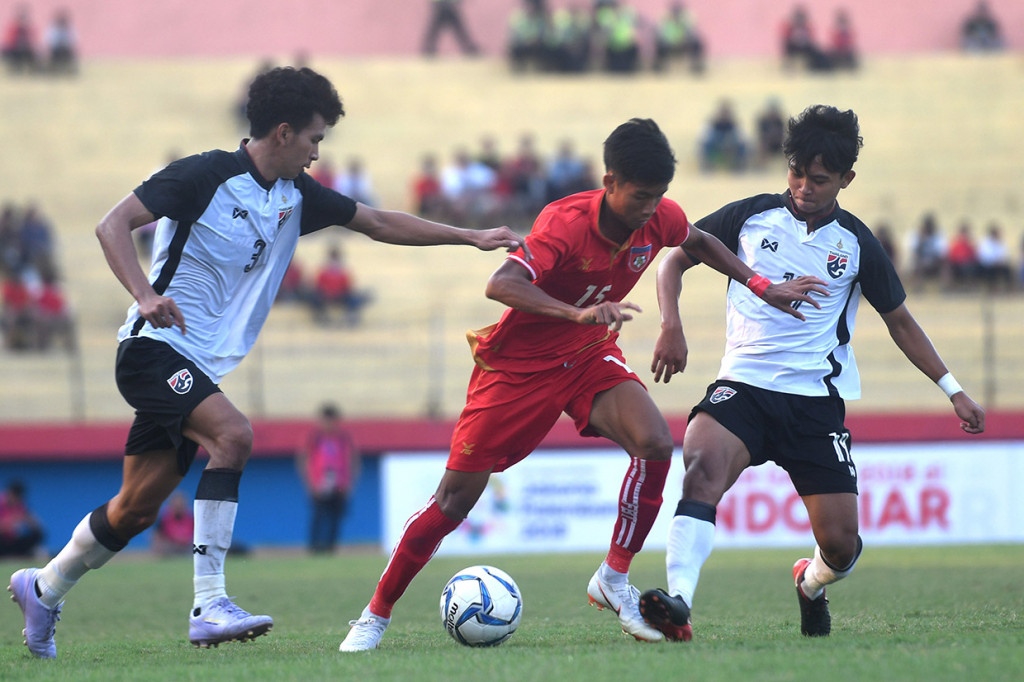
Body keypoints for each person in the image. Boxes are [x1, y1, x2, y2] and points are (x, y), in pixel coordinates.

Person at [7, 65, 528, 660]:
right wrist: (144, 297)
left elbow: (379, 222)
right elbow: (112, 225)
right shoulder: (204, 174)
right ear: (283, 132)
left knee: (135, 508)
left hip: (199, 364)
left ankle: (43, 587)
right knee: (233, 435)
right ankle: (209, 603)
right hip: (152, 350)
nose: (316, 152)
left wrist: (470, 237)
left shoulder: (295, 197)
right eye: (314, 138)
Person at [338, 117, 825, 652]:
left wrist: (761, 285)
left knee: (656, 443)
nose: (649, 208)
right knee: (453, 502)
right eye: (640, 196)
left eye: (658, 196)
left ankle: (614, 577)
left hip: (588, 354)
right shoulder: (564, 223)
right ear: (610, 180)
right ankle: (375, 614)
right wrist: (577, 313)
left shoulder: (659, 216)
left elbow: (701, 241)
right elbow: (501, 284)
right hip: (517, 369)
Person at [639, 104, 986, 643]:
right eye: (795, 172)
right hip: (744, 387)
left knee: (842, 545)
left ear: (846, 179)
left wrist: (953, 390)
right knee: (701, 464)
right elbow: (673, 260)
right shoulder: (749, 217)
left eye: (818, 179)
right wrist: (671, 324)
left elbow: (900, 321)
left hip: (814, 403)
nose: (803, 186)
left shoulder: (856, 243)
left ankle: (810, 583)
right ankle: (679, 601)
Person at [296, 403, 361, 554]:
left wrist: (350, 483)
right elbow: (303, 459)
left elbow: (354, 460)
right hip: (319, 484)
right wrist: (310, 484)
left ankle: (331, 548)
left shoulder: (344, 438)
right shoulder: (315, 437)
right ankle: (314, 548)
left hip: (339, 484)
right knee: (318, 516)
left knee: (336, 517)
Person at [0, 480, 45, 559]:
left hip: (13, 539)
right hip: (3, 539)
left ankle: (21, 554)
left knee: (37, 534)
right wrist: (10, 522)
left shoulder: (20, 505)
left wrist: (28, 520)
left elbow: (36, 525)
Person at [151, 491, 194, 557]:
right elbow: (157, 535)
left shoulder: (191, 518)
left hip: (187, 547)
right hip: (171, 547)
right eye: (176, 505)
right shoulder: (164, 518)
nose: (179, 507)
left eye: (181, 505)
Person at [43, 8, 77, 75]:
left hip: (66, 49)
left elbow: (74, 40)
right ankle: (52, 70)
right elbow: (49, 40)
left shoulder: (70, 28)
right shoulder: (53, 28)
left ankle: (70, 71)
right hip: (55, 50)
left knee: (70, 52)